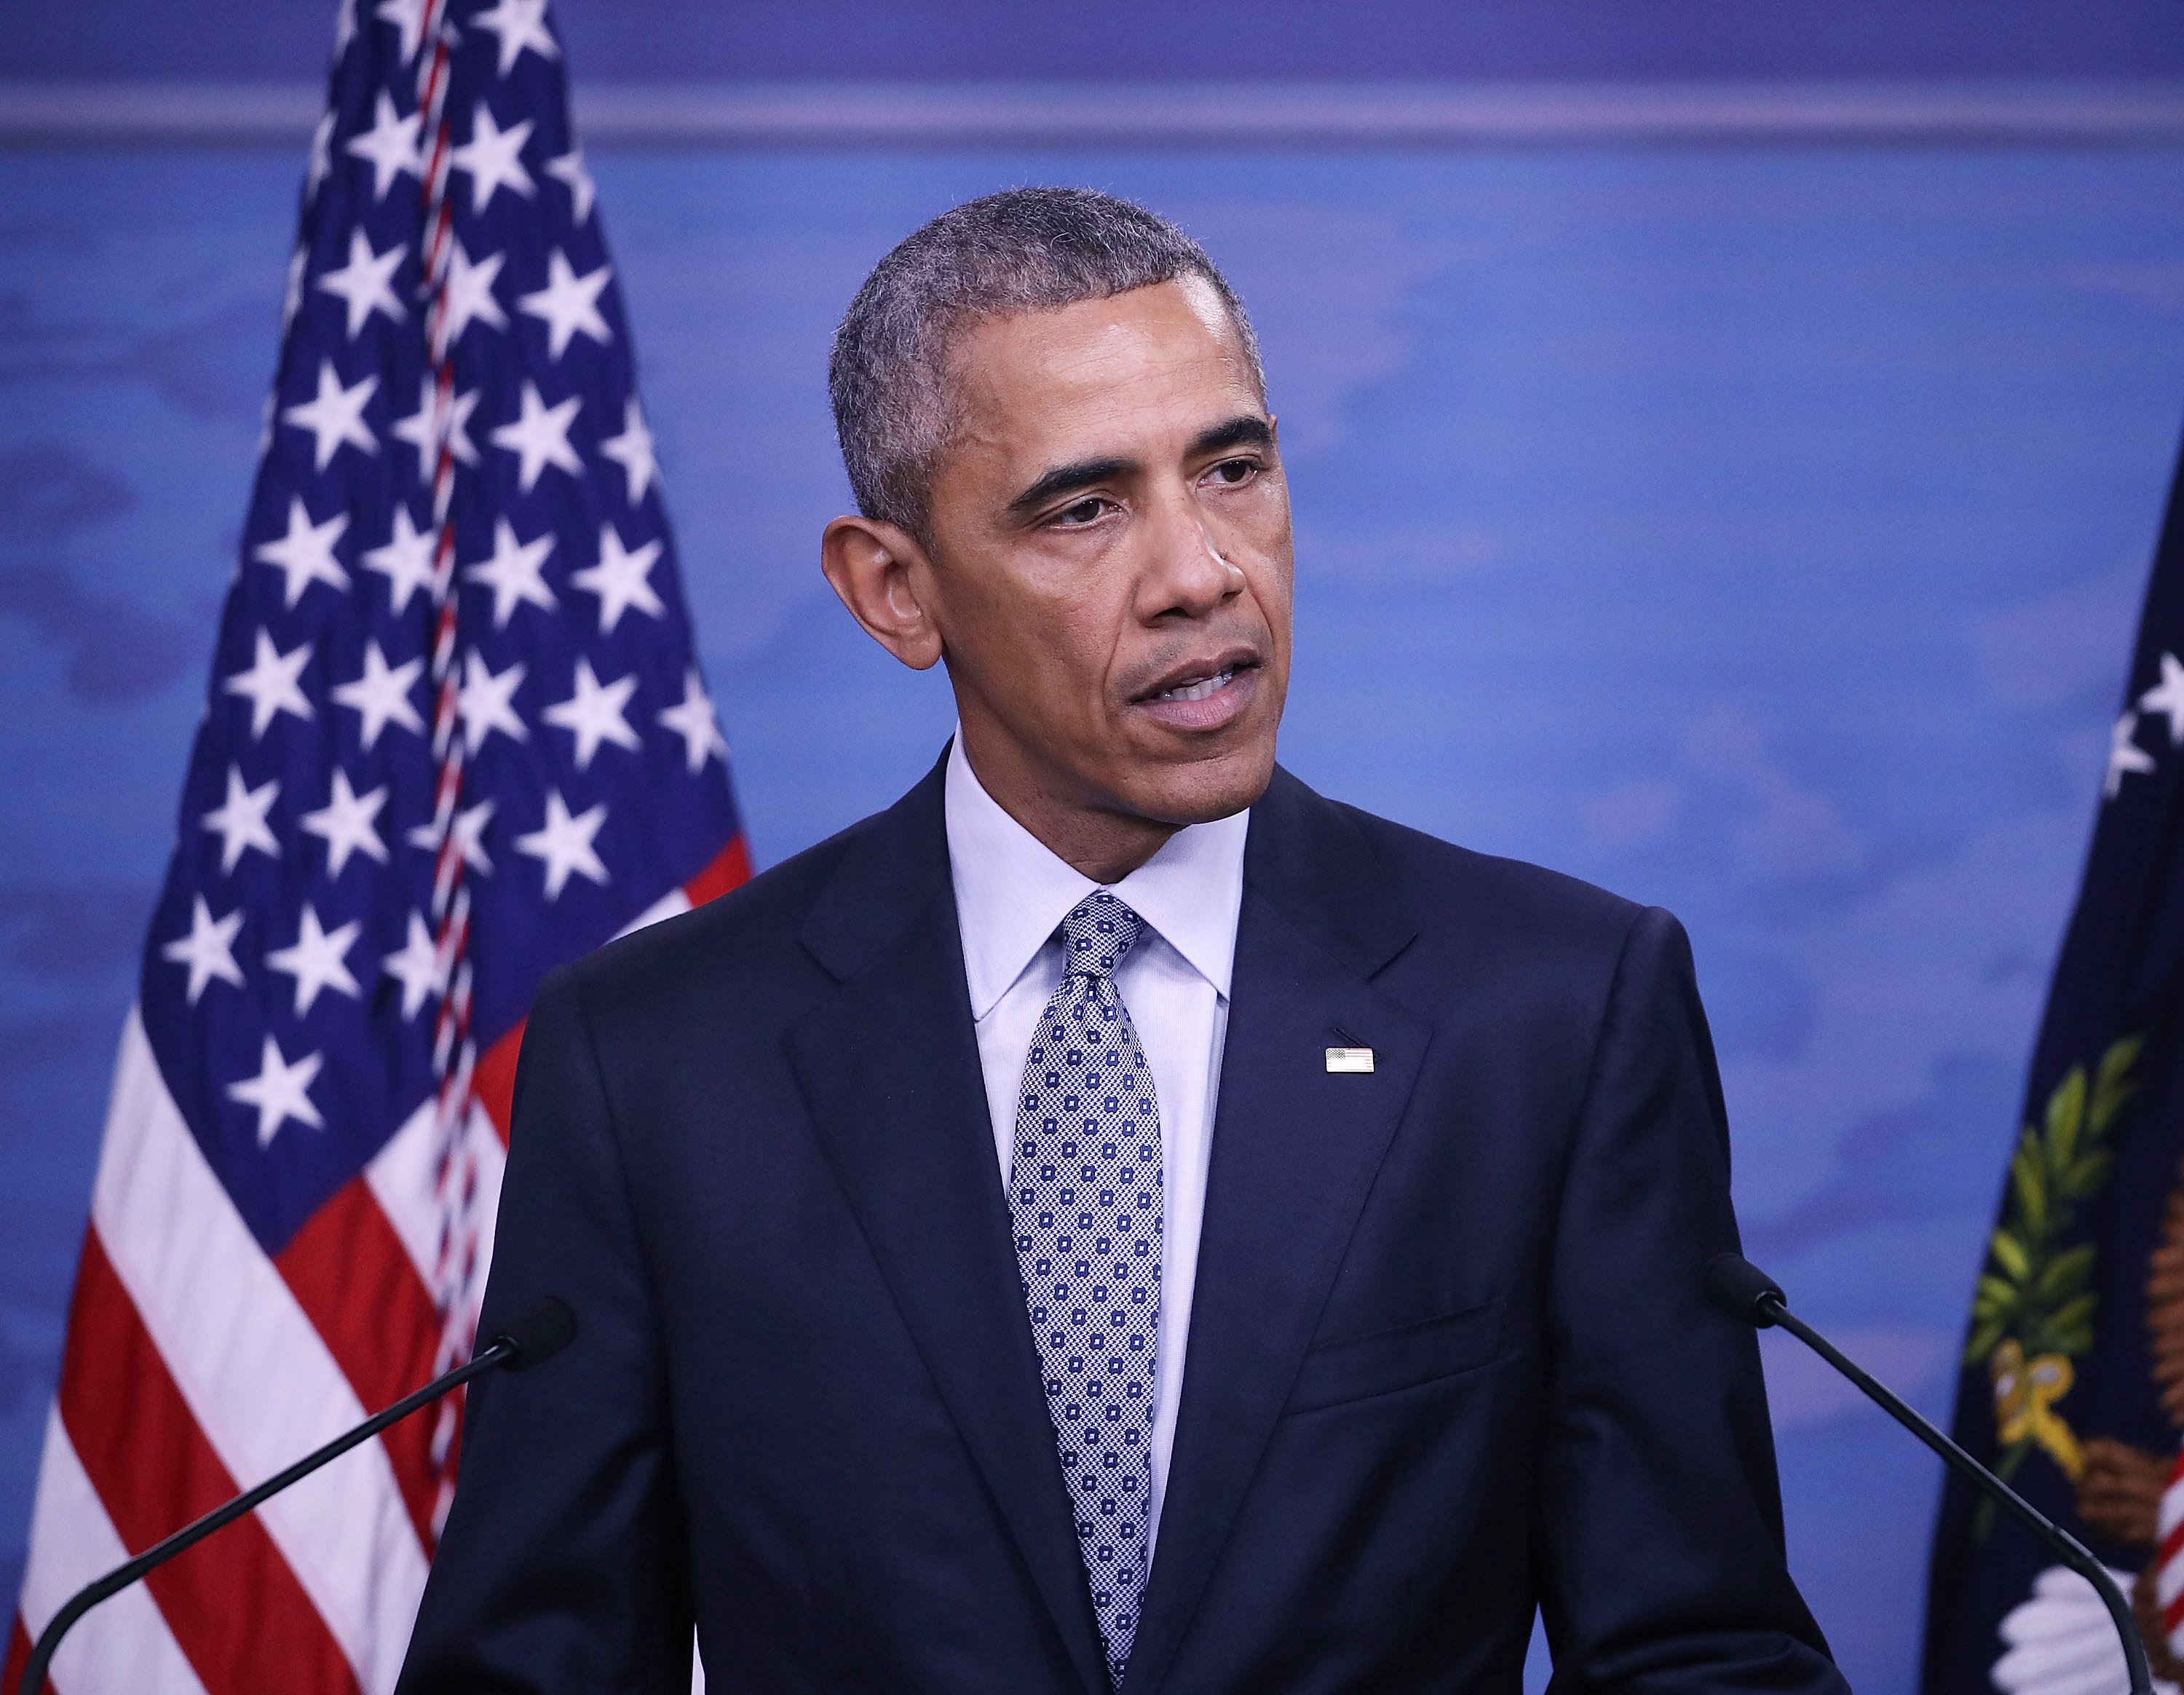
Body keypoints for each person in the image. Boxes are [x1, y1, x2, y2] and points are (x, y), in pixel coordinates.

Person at [397, 187, 1846, 1694]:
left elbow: (1699, 1656)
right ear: (895, 590)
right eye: (1084, 508)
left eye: (1233, 470)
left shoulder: (1550, 1015)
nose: (1200, 574)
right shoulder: (659, 1060)